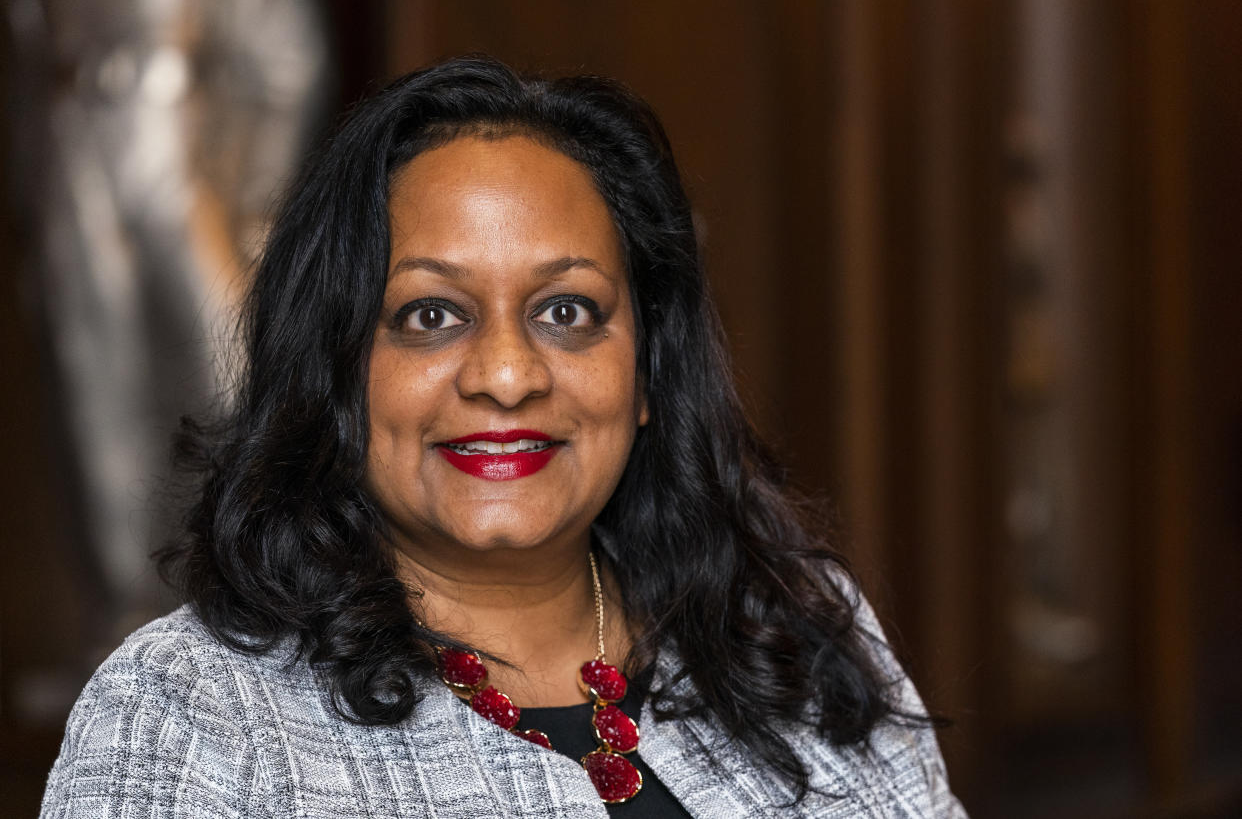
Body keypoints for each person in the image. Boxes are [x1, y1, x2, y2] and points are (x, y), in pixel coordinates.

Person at [41, 56, 966, 817]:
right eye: (432, 315)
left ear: (647, 372)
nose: (508, 375)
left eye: (567, 310)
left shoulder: (796, 638)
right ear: (336, 369)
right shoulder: (190, 710)